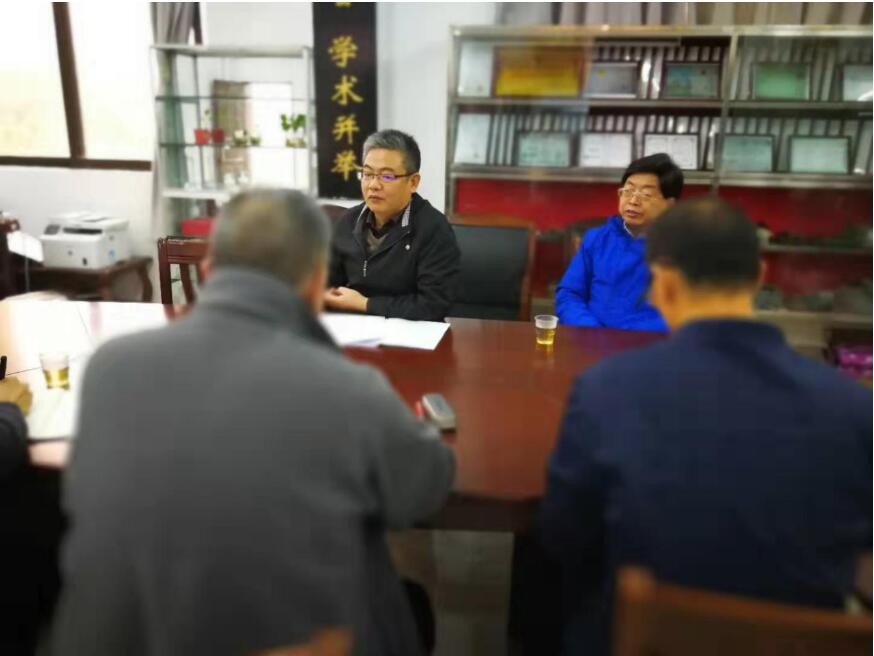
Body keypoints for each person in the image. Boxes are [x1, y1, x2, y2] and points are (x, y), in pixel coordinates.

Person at [51, 189, 455, 656]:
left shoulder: (111, 367)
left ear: (208, 270)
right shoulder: (348, 389)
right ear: (316, 283)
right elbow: (423, 490)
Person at [540, 197, 872, 656]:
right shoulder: (854, 408)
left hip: (640, 640)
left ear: (663, 284)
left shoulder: (606, 390)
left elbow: (563, 533)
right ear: (759, 277)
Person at [326, 129, 460, 321]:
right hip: (354, 328)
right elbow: (327, 283)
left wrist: (365, 304)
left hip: (411, 333)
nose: (373, 185)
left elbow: (433, 305)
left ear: (413, 182)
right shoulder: (348, 221)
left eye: (387, 176)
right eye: (367, 174)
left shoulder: (433, 229)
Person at [555, 153, 683, 331]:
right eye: (628, 191)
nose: (633, 201)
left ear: (669, 204)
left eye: (646, 194)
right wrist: (591, 330)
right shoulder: (596, 239)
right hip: (593, 338)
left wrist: (630, 337)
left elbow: (696, 311)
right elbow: (569, 294)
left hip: (653, 342)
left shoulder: (684, 247)